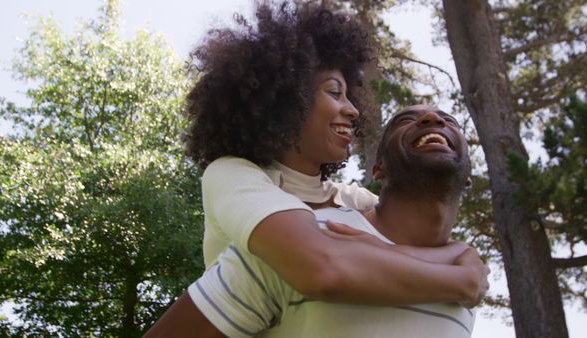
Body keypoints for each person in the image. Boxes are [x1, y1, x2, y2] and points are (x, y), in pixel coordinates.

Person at [144, 2, 488, 337]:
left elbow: (408, 228)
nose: (352, 110)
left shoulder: (351, 200)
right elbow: (319, 265)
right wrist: (462, 280)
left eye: (350, 96)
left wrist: (467, 257)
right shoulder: (234, 174)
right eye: (335, 92)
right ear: (286, 100)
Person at [178, 105, 481, 338]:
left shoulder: (464, 290)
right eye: (405, 120)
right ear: (379, 170)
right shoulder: (295, 244)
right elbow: (323, 266)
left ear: (469, 178)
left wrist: (461, 259)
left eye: (449, 120)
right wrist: (464, 279)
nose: (432, 118)